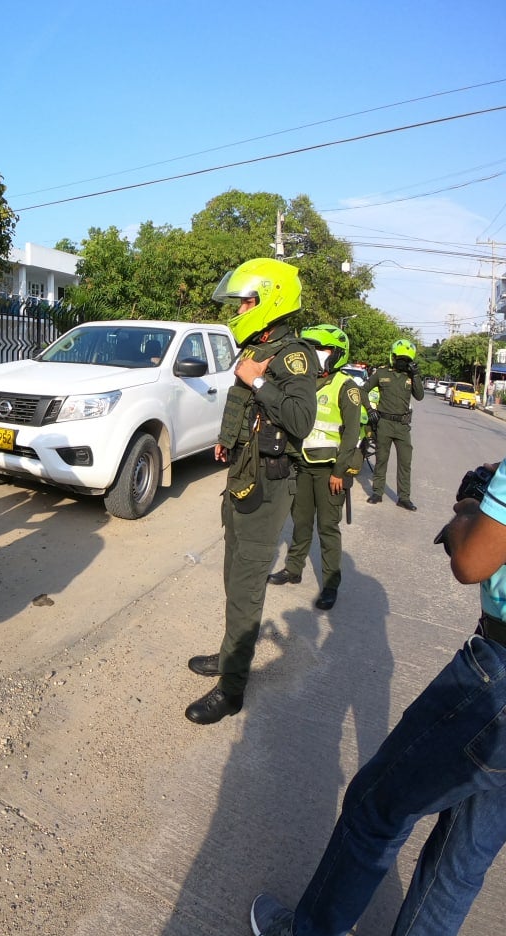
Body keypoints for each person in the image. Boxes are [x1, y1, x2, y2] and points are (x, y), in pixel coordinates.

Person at [251, 460, 506, 936]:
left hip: (496, 682)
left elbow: (471, 561)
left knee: (376, 808)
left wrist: (470, 511)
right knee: (463, 858)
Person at [185, 258, 318, 724]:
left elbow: (300, 420)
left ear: (270, 301)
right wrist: (227, 440)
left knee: (246, 585)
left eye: (246, 301)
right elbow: (244, 408)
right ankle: (230, 655)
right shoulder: (260, 347)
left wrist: (256, 379)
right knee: (233, 576)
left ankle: (232, 689)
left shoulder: (294, 355)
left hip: (270, 484)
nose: (240, 309)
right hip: (243, 476)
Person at [267, 324, 363, 611]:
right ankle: (293, 569)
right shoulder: (304, 381)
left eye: (322, 349)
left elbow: (352, 434)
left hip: (329, 470)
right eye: (313, 348)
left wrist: (340, 472)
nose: (317, 354)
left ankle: (331, 585)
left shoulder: (346, 386)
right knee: (300, 521)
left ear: (337, 354)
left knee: (328, 528)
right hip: (302, 465)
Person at [363, 339, 424, 510]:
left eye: (406, 360)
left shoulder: (411, 376)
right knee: (381, 459)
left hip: (402, 427)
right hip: (384, 423)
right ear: (393, 357)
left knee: (405, 462)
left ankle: (404, 497)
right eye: (400, 358)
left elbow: (419, 396)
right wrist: (370, 410)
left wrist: (416, 375)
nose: (403, 362)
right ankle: (377, 492)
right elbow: (363, 390)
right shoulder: (382, 373)